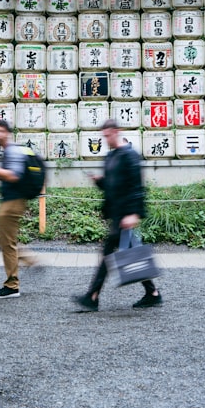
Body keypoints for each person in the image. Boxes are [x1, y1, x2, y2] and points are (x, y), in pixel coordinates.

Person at [75, 119, 161, 311]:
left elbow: (137, 188)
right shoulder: (111, 157)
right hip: (116, 214)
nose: (105, 139)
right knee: (133, 255)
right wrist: (99, 181)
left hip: (125, 215)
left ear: (117, 132)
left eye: (107, 135)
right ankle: (152, 293)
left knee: (107, 255)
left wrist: (134, 214)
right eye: (103, 136)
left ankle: (92, 296)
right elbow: (110, 184)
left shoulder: (130, 156)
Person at [0, 119, 40, 299]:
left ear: (7, 133)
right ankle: (30, 261)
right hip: (10, 201)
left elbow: (14, 176)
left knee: (6, 242)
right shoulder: (9, 152)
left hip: (13, 202)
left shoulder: (12, 151)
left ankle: (12, 285)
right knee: (1, 239)